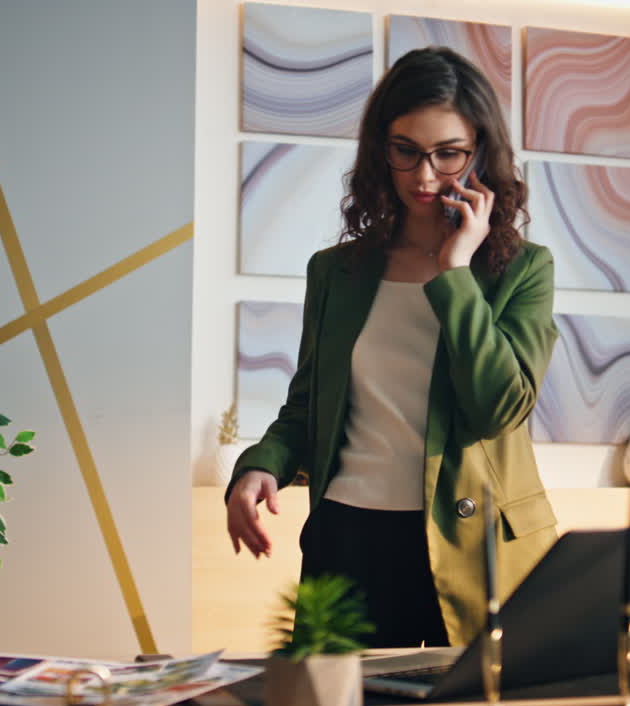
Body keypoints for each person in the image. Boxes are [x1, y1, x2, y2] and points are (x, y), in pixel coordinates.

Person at [225, 47, 558, 648]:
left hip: (471, 547)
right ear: (381, 148)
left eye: (448, 153)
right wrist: (257, 467)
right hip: (348, 540)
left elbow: (499, 410)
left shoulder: (523, 270)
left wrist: (453, 271)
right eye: (406, 150)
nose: (425, 176)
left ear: (481, 150)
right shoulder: (337, 272)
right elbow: (306, 407)